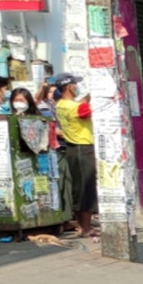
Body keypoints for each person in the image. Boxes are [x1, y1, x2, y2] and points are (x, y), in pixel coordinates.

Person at [53, 73, 97, 238]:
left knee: (79, 189)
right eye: (75, 84)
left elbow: (81, 105)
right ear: (69, 86)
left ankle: (82, 226)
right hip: (83, 147)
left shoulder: (61, 105)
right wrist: (96, 94)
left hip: (72, 148)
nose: (77, 86)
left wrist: (87, 96)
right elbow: (86, 109)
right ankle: (85, 227)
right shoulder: (74, 107)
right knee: (86, 189)